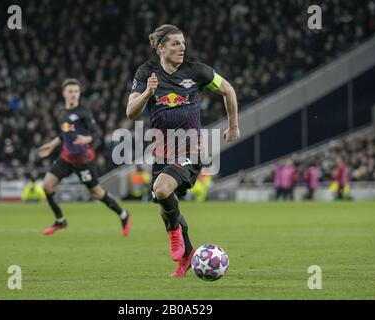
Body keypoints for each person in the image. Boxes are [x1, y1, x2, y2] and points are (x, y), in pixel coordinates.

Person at [126, 24, 240, 277]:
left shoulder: (197, 71)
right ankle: (187, 253)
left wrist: (233, 126)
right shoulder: (146, 72)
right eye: (176, 43)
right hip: (161, 152)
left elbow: (228, 89)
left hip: (191, 149)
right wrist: (148, 93)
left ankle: (176, 236)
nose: (182, 47)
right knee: (165, 205)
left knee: (161, 189)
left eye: (183, 43)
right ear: (161, 48)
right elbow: (130, 111)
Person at [39, 78, 131, 236]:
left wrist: (86, 139)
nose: (73, 94)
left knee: (97, 193)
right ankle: (60, 220)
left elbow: (97, 133)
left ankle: (123, 214)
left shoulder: (83, 112)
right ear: (64, 93)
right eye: (70, 91)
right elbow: (64, 133)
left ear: (79, 93)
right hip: (66, 158)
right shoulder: (62, 113)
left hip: (83, 161)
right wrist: (52, 145)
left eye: (76, 91)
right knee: (47, 186)